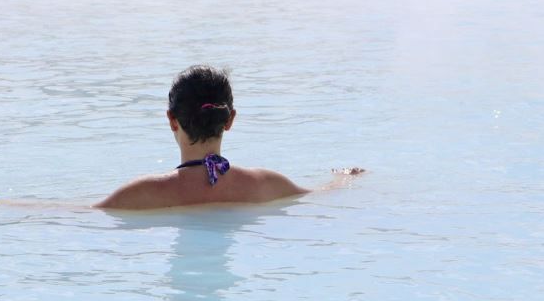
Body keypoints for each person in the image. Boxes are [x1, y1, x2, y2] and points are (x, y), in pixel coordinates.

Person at [94, 66, 362, 209]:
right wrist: (345, 177)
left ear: (172, 120)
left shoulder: (141, 193)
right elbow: (323, 195)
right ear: (230, 119)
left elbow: (80, 215)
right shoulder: (265, 184)